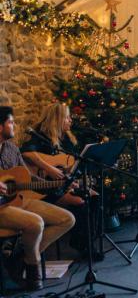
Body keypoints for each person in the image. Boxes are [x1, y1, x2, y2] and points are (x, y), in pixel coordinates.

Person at [0, 106, 75, 291]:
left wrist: (52, 183)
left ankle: (22, 256)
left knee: (67, 219)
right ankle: (33, 269)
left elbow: (27, 177)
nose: (14, 126)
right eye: (11, 122)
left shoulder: (11, 148)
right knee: (36, 223)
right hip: (1, 208)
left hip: (17, 201)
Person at [21, 103, 100, 255]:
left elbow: (68, 167)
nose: (70, 120)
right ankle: (84, 246)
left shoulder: (67, 140)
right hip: (45, 189)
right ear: (57, 119)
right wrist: (48, 168)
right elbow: (25, 153)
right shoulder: (40, 136)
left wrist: (72, 179)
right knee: (81, 201)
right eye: (67, 117)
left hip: (62, 186)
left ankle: (84, 241)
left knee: (95, 197)